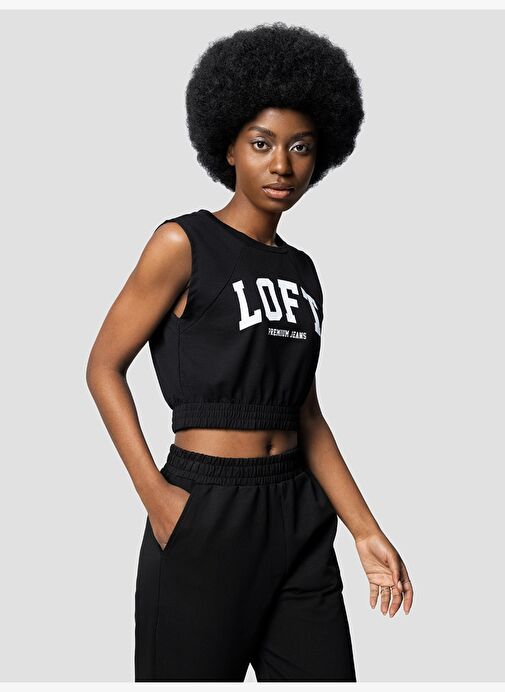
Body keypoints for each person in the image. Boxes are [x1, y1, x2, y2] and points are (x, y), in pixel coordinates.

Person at [86, 22, 413, 683]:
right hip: (206, 506)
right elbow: (102, 367)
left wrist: (364, 529)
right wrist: (157, 497)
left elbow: (305, 414)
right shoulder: (182, 242)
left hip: (297, 512)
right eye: (262, 144)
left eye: (300, 147)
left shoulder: (302, 270)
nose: (281, 165)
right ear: (229, 147)